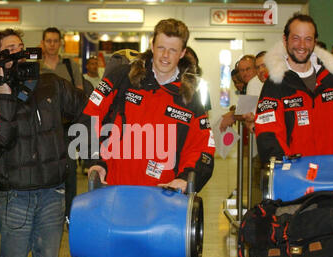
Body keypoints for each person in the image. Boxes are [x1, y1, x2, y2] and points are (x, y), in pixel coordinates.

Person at [0, 28, 86, 257]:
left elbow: (86, 108)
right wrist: (4, 92)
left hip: (53, 193)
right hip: (15, 197)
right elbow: (2, 138)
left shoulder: (50, 82)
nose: (16, 52)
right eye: (8, 49)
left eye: (19, 46)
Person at [83, 18, 215, 194]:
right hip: (113, 190)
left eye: (173, 50)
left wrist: (186, 178)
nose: (165, 56)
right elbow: (89, 115)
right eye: (161, 48)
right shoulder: (123, 78)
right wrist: (95, 162)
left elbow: (203, 146)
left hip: (163, 197)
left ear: (182, 53)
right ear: (152, 46)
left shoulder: (190, 97)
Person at [254, 13, 333, 165]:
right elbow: (268, 136)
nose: (302, 45)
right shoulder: (275, 84)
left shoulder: (331, 82)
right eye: (296, 38)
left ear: (315, 42)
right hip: (295, 180)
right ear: (285, 40)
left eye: (308, 39)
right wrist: (286, 170)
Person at [40, 26, 84, 220]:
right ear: (43, 43)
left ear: (60, 43)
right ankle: (47, 213)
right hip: (40, 129)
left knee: (70, 170)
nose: (52, 44)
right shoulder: (36, 66)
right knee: (44, 169)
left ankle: (69, 214)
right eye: (48, 41)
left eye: (55, 41)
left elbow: (80, 94)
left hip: (66, 127)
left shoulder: (70, 65)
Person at [219, 55, 257, 132]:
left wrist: (232, 115)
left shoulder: (254, 82)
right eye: (242, 70)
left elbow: (245, 113)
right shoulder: (249, 85)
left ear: (255, 68)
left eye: (248, 69)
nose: (245, 73)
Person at [185, 46, 211, 112]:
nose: (188, 66)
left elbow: (205, 112)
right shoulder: (171, 83)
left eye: (190, 61)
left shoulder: (202, 85)